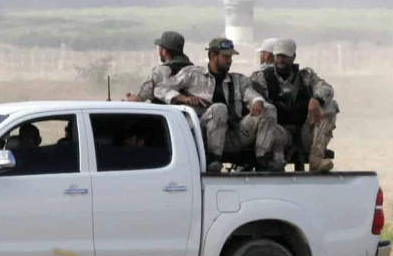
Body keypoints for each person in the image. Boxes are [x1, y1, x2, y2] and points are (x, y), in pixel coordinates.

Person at [155, 37, 288, 173]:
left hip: (234, 133)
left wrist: (257, 101)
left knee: (269, 108)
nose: (230, 60)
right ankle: (214, 159)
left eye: (230, 57)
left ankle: (263, 158)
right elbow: (160, 89)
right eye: (225, 57)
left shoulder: (238, 80)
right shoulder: (192, 74)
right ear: (213, 56)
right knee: (219, 108)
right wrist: (183, 98)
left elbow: (251, 95)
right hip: (205, 135)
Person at [251, 39, 338, 173]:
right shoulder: (261, 78)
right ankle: (271, 164)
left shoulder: (305, 77)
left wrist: (316, 99)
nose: (281, 59)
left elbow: (327, 89)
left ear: (293, 57)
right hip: (278, 133)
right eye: (278, 55)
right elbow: (248, 93)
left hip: (304, 132)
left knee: (330, 105)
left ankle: (316, 158)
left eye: (285, 56)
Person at [125, 31, 193, 103]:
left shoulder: (158, 73)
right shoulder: (194, 71)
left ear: (164, 51)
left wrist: (129, 100)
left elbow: (138, 99)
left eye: (160, 48)